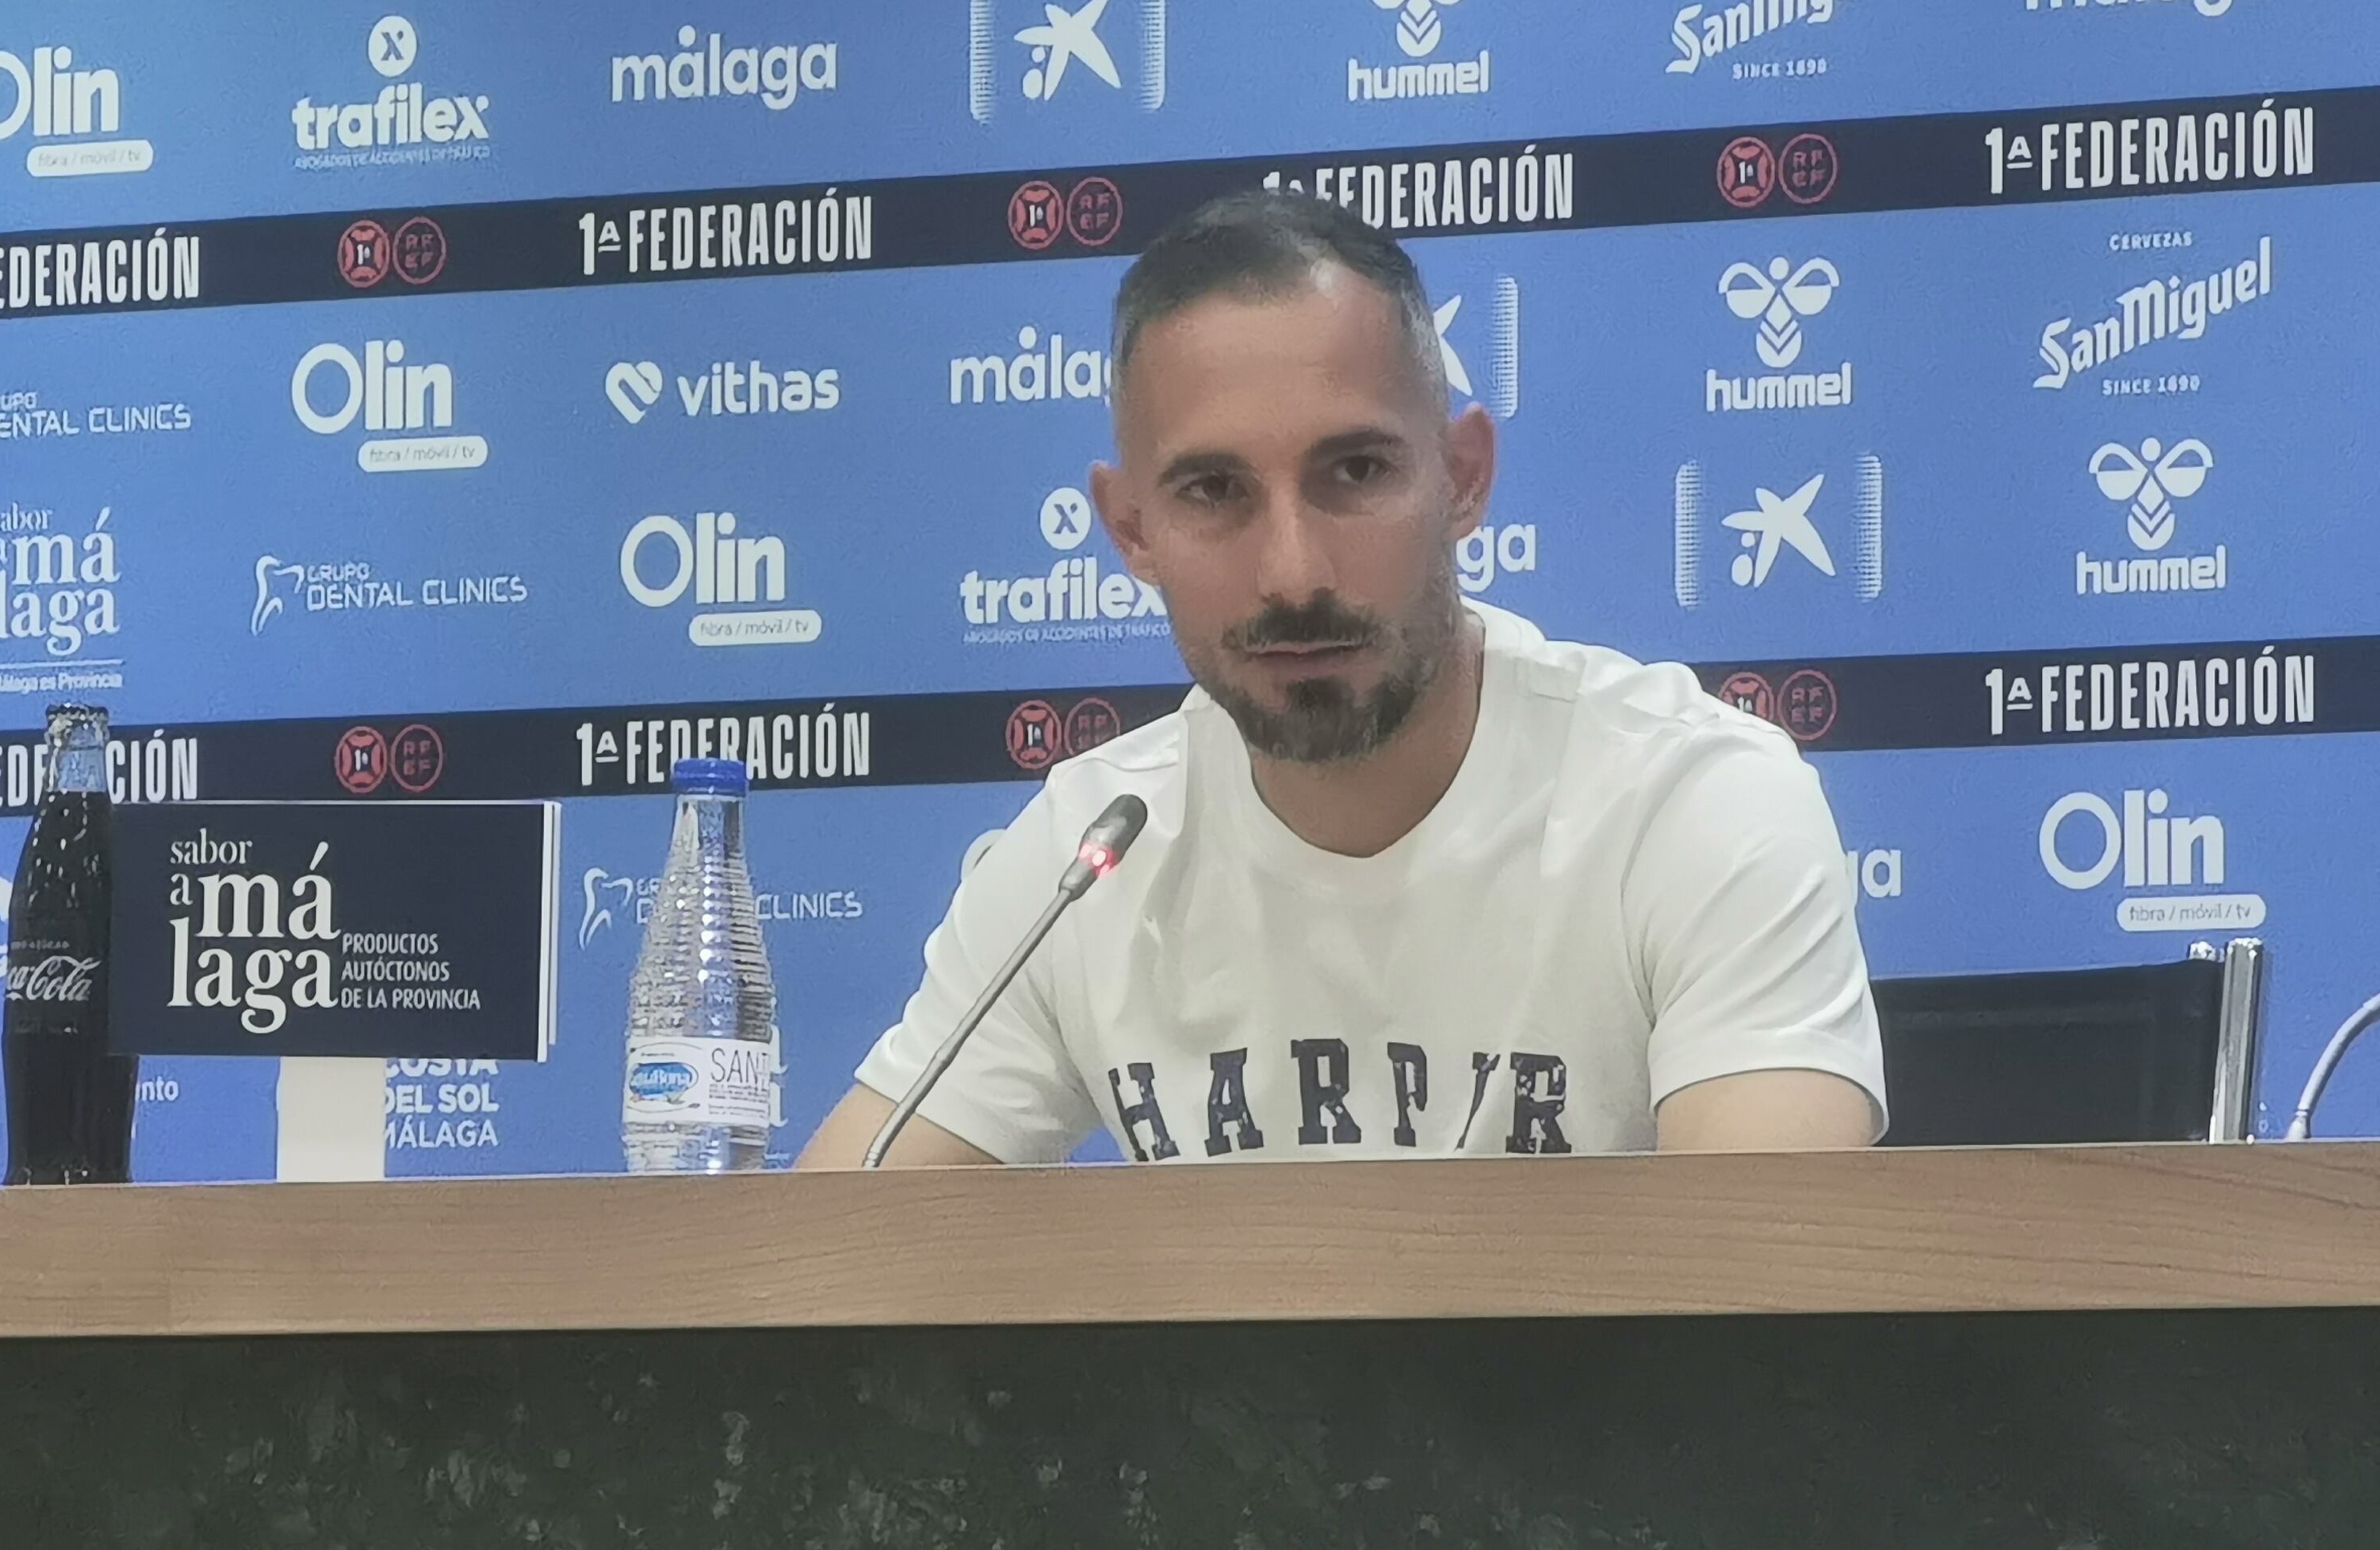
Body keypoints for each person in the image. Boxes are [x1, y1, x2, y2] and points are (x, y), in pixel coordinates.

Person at [796, 190, 1882, 1167]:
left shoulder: (1689, 804)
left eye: (1353, 473)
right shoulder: (1088, 853)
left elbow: (1780, 1326)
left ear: (1461, 480)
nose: (1294, 574)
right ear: (1131, 530)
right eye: (1214, 492)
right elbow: (813, 1292)